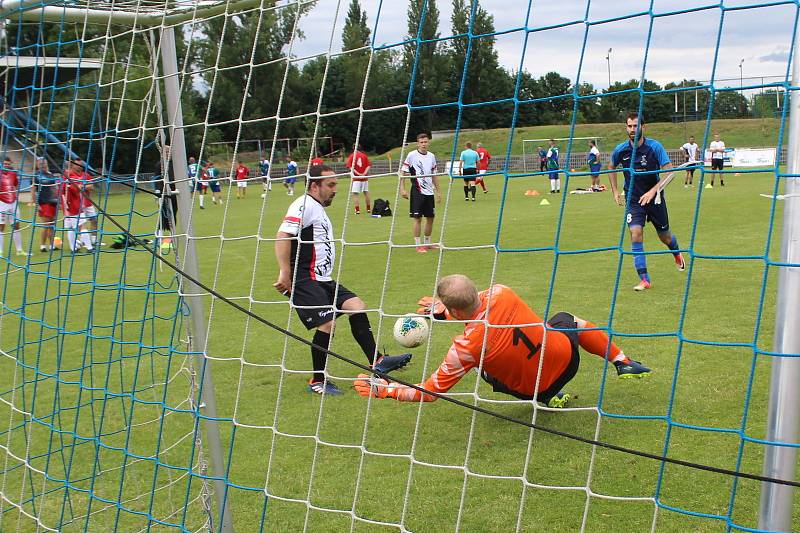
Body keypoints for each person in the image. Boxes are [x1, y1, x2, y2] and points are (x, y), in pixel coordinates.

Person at [354, 274, 650, 406]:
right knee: (568, 320)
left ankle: (548, 397)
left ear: (454, 310)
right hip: (567, 362)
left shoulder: (463, 349)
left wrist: (387, 389)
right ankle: (622, 361)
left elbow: (429, 393)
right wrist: (447, 311)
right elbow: (475, 302)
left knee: (482, 366)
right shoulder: (502, 292)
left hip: (531, 390)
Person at [273, 165, 412, 395]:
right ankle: (318, 381)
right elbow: (282, 235)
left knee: (356, 307)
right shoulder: (303, 205)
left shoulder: (316, 208)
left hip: (321, 279)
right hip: (304, 278)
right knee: (327, 323)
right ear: (314, 186)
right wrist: (284, 273)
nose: (336, 189)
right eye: (331, 185)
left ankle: (377, 362)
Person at [609, 112, 686, 291]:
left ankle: (676, 253)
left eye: (636, 126)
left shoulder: (654, 147)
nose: (632, 129)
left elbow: (670, 172)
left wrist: (653, 191)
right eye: (629, 126)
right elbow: (611, 166)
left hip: (655, 198)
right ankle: (645, 279)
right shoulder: (621, 150)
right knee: (635, 233)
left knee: (664, 236)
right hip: (633, 199)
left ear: (643, 127)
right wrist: (614, 191)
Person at [400, 133, 442, 253]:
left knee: (430, 218)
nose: (424, 144)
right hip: (417, 191)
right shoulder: (411, 155)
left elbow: (435, 176)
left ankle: (428, 244)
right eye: (421, 142)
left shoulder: (431, 156)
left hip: (429, 192)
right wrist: (402, 189)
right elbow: (402, 172)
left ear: (428, 142)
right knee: (417, 218)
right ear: (418, 143)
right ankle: (418, 245)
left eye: (426, 142)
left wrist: (438, 192)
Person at [0, 158, 29, 257]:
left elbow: (15, 185)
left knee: (16, 226)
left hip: (13, 203)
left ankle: (19, 250)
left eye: (8, 164)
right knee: (1, 227)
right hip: (2, 203)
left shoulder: (13, 173)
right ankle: (0, 251)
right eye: (4, 163)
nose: (6, 165)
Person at [61, 168, 94, 253]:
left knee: (70, 228)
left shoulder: (61, 182)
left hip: (66, 209)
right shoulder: (70, 181)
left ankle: (74, 249)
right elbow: (77, 189)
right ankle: (89, 248)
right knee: (83, 226)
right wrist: (80, 186)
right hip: (74, 207)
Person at [69, 158, 100, 246]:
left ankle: (94, 240)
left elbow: (91, 186)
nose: (80, 166)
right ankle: (82, 241)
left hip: (87, 202)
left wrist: (81, 186)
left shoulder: (86, 175)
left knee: (94, 220)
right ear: (73, 165)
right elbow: (73, 187)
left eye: (81, 164)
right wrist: (83, 186)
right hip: (77, 203)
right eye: (77, 164)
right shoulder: (70, 175)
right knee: (81, 224)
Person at [153, 146, 178, 255]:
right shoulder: (160, 164)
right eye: (166, 151)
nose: (168, 153)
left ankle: (173, 236)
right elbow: (157, 178)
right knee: (163, 215)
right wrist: (157, 190)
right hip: (163, 192)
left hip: (174, 193)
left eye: (170, 151)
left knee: (173, 213)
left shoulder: (175, 164)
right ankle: (159, 237)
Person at [32, 157, 60, 252]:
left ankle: (52, 245)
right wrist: (37, 204)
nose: (43, 165)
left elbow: (54, 188)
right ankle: (42, 246)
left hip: (53, 202)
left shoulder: (51, 175)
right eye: (41, 163)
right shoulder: (36, 176)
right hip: (43, 203)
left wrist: (58, 201)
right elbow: (33, 190)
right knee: (46, 225)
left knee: (52, 225)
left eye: (44, 163)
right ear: (37, 165)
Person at [346, 145, 371, 215]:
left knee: (355, 194)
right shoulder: (364, 156)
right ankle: (368, 209)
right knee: (366, 192)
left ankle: (357, 210)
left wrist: (358, 174)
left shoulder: (352, 156)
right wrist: (364, 173)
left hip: (356, 178)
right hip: (364, 178)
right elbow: (368, 166)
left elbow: (351, 168)